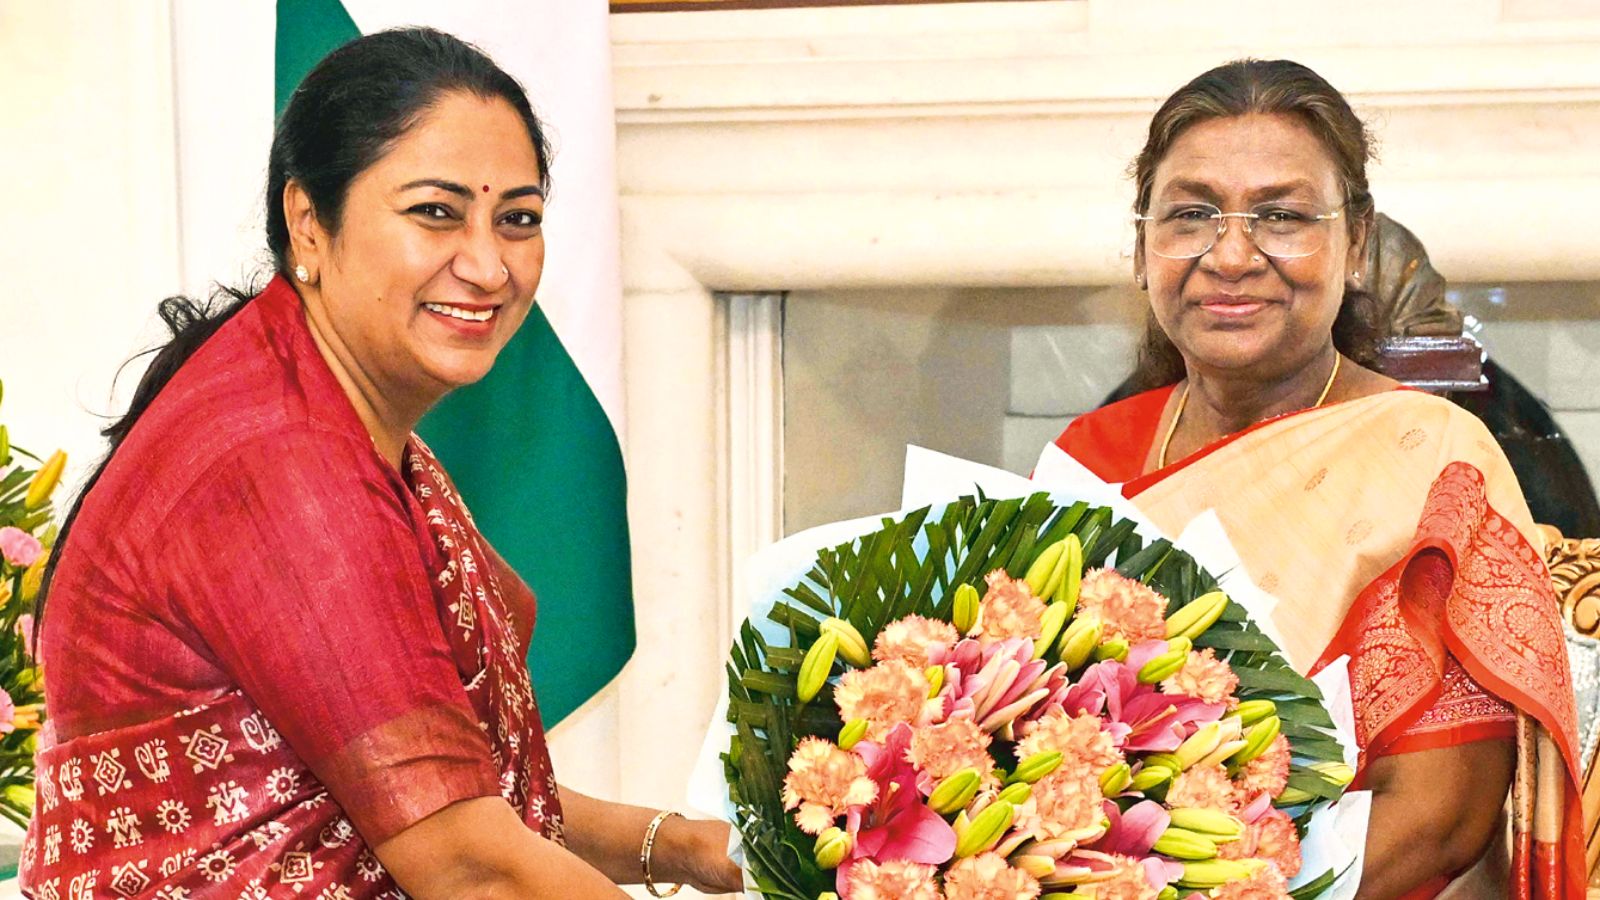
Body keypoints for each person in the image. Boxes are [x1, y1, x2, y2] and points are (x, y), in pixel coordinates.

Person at [20, 28, 741, 899]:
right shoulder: (279, 463)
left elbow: (460, 801)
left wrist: (687, 849)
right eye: (436, 212)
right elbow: (470, 865)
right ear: (308, 224)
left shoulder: (329, 411)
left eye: (517, 219)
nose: (487, 265)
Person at [1053, 59, 1582, 898]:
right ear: (1143, 247)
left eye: (1282, 216)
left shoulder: (1435, 462)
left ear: (1356, 242)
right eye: (1191, 214)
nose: (1231, 255)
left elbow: (1441, 823)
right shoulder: (1090, 457)